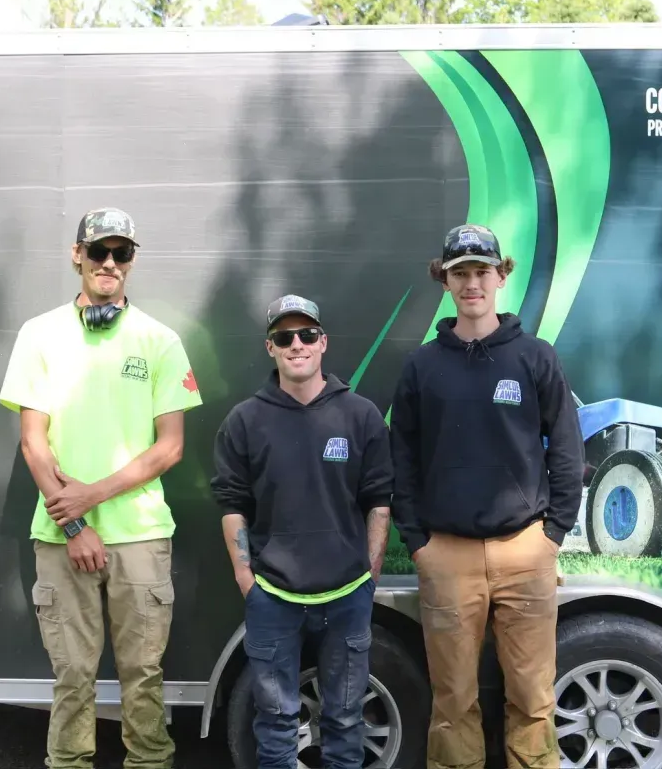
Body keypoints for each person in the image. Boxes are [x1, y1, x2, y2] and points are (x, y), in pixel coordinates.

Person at [0, 206, 203, 769]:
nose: (109, 263)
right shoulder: (39, 335)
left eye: (122, 253)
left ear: (133, 262)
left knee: (144, 677)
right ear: (77, 256)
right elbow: (33, 444)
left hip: (139, 536)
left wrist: (91, 496)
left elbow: (171, 448)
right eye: (98, 252)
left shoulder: (160, 341)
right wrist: (74, 523)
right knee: (73, 677)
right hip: (63, 538)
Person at [388, 224, 584, 769]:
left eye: (481, 271)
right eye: (460, 274)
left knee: (533, 698)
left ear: (501, 276)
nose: (472, 283)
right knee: (452, 701)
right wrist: (418, 541)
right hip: (446, 554)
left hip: (526, 549)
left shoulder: (535, 357)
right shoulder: (422, 366)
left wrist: (552, 535)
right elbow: (399, 457)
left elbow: (566, 448)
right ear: (445, 281)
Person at [210, 294, 394, 769]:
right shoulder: (245, 422)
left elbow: (378, 500)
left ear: (323, 342)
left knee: (346, 719)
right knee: (274, 722)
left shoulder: (360, 415)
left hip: (348, 592)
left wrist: (370, 572)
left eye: (307, 334)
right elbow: (232, 506)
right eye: (284, 337)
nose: (297, 344)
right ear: (270, 348)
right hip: (272, 595)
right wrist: (246, 580)